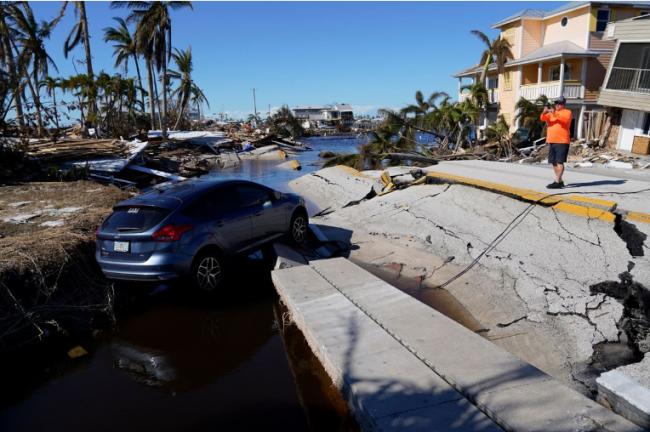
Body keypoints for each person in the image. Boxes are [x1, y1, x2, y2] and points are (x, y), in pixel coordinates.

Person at [540, 96, 572, 189]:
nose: (558, 105)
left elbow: (564, 120)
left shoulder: (567, 112)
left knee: (559, 161)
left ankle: (557, 181)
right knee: (553, 162)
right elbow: (542, 118)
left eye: (560, 103)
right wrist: (544, 111)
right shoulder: (551, 113)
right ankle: (560, 181)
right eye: (557, 103)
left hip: (562, 140)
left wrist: (554, 113)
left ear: (563, 104)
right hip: (552, 140)